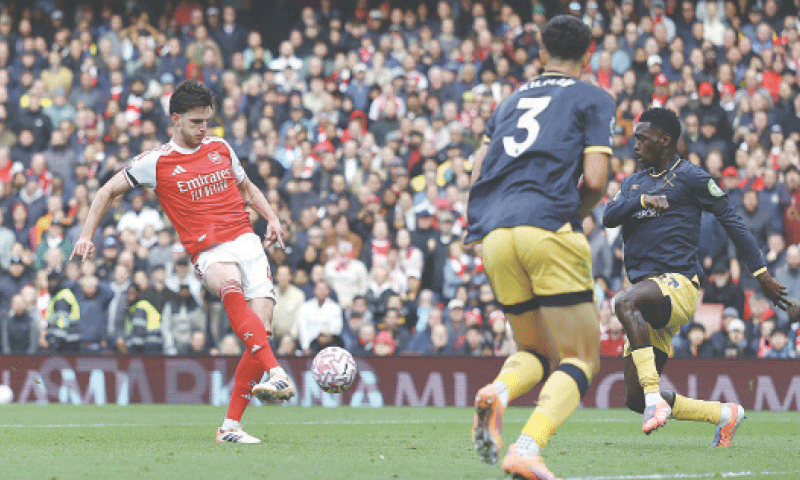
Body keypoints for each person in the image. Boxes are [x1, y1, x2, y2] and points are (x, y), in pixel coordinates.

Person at [71, 80, 295, 444]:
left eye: (206, 120)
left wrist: (271, 218)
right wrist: (86, 234)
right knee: (229, 286)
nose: (203, 128)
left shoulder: (221, 147)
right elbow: (106, 190)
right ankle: (277, 372)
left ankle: (230, 428)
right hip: (210, 250)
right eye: (195, 122)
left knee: (262, 331)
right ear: (175, 119)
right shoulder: (154, 162)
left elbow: (248, 189)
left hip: (247, 242)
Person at [466, 16, 615, 479]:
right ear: (588, 57)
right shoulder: (593, 97)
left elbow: (476, 175)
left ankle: (498, 391)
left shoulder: (508, 102)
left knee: (534, 349)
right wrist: (577, 212)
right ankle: (527, 446)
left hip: (495, 234)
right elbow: (595, 179)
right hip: (548, 226)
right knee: (581, 358)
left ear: (542, 55)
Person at [602, 107, 790, 449]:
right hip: (648, 298)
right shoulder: (633, 183)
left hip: (677, 285)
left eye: (642, 139)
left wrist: (760, 272)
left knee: (623, 301)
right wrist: (641, 199)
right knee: (634, 397)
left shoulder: (692, 177)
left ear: (665, 140)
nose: (635, 145)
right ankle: (723, 414)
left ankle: (654, 399)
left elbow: (732, 221)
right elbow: (609, 217)